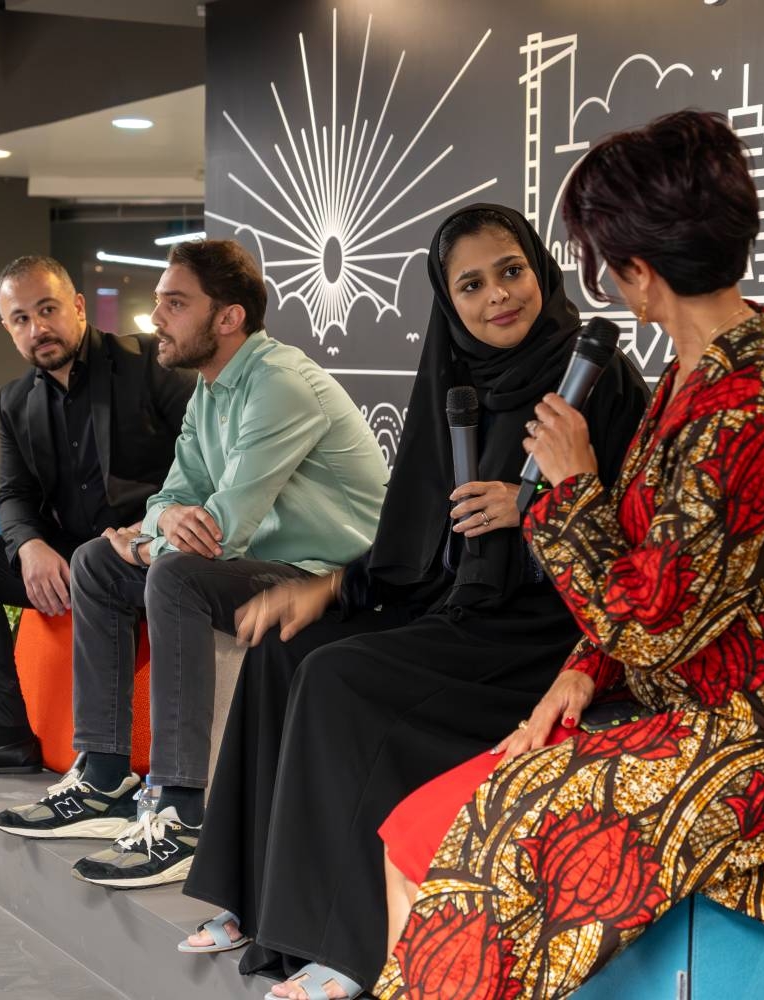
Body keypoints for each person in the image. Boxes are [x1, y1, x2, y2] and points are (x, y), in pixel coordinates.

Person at [374, 111, 764, 1000]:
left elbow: (654, 619)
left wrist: (565, 488)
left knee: (492, 842)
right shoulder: (692, 377)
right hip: (680, 697)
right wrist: (578, 673)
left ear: (638, 270)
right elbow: (648, 586)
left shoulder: (754, 413)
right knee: (418, 827)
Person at [180, 204, 649, 999]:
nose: (498, 296)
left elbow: (640, 537)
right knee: (284, 653)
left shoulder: (597, 379)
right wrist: (331, 587)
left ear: (539, 269)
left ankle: (352, 947)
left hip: (550, 629)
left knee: (342, 679)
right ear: (447, 299)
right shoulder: (455, 376)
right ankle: (257, 898)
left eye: (511, 271)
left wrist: (533, 507)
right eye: (471, 284)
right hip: (462, 604)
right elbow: (418, 534)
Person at [0, 239, 389, 891]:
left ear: (227, 318)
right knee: (96, 561)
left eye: (175, 304)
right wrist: (158, 526)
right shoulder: (210, 393)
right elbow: (174, 497)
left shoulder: (279, 382)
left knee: (171, 573)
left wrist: (151, 540)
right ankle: (105, 775)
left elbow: (222, 530)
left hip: (328, 579)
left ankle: (182, 810)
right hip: (260, 563)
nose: (158, 320)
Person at [0, 256, 194, 776]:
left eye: (47, 309)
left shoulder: (148, 364)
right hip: (67, 557)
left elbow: (200, 461)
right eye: (20, 318)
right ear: (8, 328)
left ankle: (107, 765)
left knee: (97, 562)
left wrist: (148, 530)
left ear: (79, 307)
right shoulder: (15, 401)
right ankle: (2, 733)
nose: (37, 327)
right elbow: (14, 493)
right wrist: (28, 547)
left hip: (143, 553)